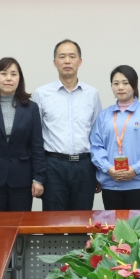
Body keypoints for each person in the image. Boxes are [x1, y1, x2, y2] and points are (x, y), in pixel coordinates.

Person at [32, 39, 103, 211]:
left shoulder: (92, 94)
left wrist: (99, 171)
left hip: (85, 166)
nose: (67, 61)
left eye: (72, 56)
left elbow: (98, 135)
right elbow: (35, 137)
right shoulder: (41, 94)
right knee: (53, 220)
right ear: (54, 62)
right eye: (62, 57)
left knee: (82, 220)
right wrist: (37, 176)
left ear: (80, 61)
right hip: (53, 165)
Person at [0, 57, 46, 212]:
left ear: (19, 79)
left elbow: (37, 146)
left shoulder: (31, 108)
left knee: (20, 224)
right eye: (3, 73)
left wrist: (38, 179)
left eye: (13, 74)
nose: (8, 78)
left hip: (22, 181)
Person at [90, 65, 140, 210]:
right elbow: (96, 147)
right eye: (116, 83)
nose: (120, 87)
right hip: (111, 184)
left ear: (134, 85)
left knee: (138, 225)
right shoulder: (104, 116)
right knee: (113, 224)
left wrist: (136, 169)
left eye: (125, 83)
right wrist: (108, 168)